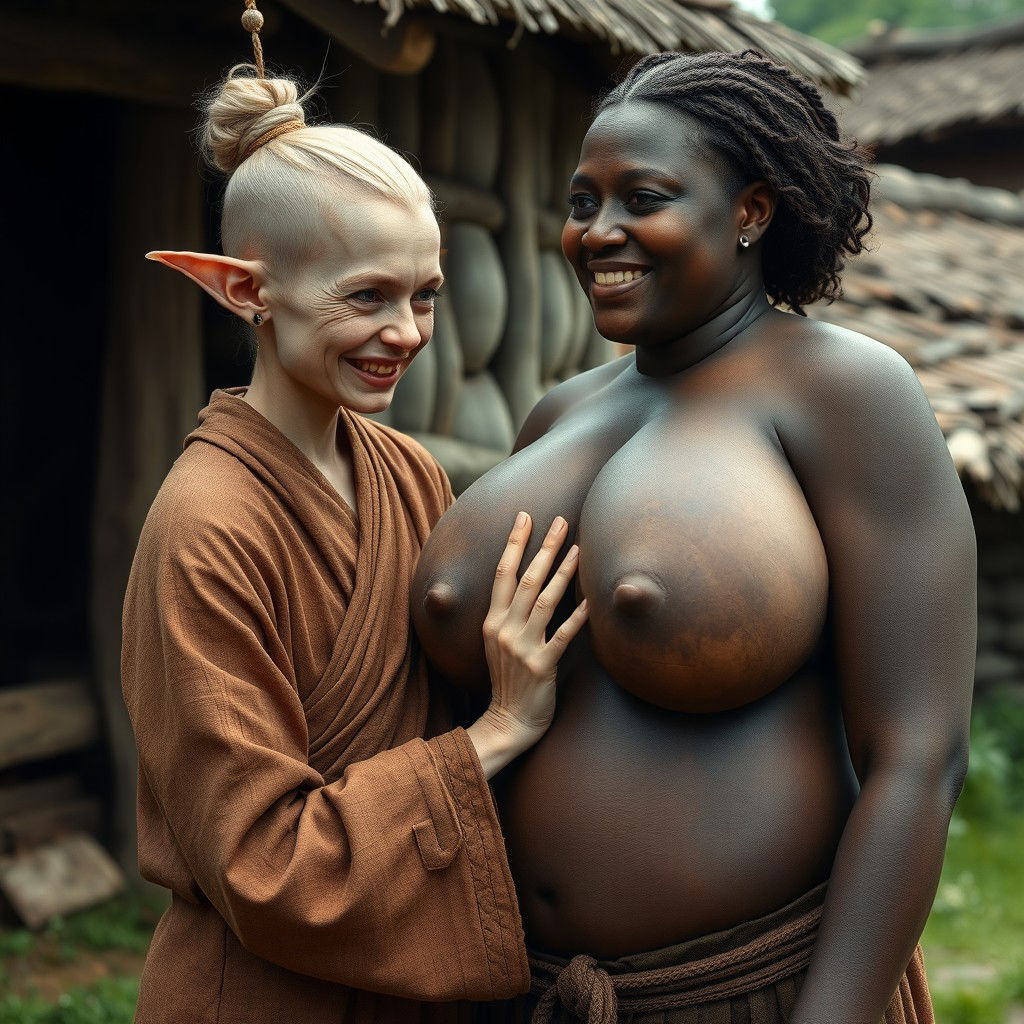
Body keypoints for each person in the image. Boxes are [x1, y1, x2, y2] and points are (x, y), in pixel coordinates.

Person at [412, 50, 975, 1023]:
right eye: (582, 201)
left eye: (644, 197)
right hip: (519, 993)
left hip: (750, 989)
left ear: (750, 212)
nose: (598, 232)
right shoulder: (555, 417)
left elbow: (918, 756)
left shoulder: (843, 393)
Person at [120, 49, 589, 1024]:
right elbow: (262, 862)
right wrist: (496, 730)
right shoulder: (204, 529)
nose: (409, 333)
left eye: (424, 294)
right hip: (261, 992)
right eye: (366, 297)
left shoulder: (408, 472)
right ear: (246, 292)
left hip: (407, 964)